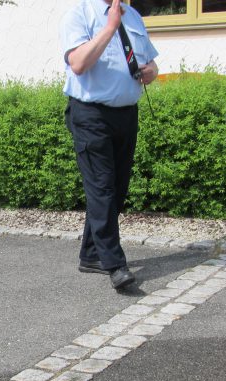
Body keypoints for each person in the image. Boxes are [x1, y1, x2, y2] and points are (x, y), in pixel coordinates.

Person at [60, 0, 159, 290]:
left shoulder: (135, 17)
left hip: (126, 114)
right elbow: (77, 63)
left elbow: (151, 63)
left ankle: (91, 254)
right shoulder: (79, 14)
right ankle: (115, 264)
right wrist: (110, 26)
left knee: (116, 189)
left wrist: (150, 72)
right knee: (102, 188)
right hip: (91, 115)